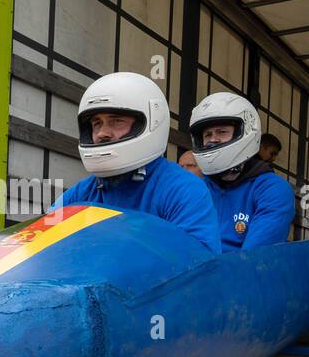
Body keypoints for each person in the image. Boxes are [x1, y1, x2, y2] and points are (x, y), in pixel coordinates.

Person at [53, 72, 220, 252]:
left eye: (116, 121)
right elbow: (40, 245)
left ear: (150, 123)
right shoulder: (80, 193)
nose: (102, 133)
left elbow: (199, 268)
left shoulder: (184, 190)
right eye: (97, 124)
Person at [189, 92, 294, 250]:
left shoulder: (273, 190)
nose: (212, 140)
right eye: (207, 134)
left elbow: (254, 259)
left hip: (240, 272)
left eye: (222, 132)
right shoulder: (196, 189)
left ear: (244, 132)